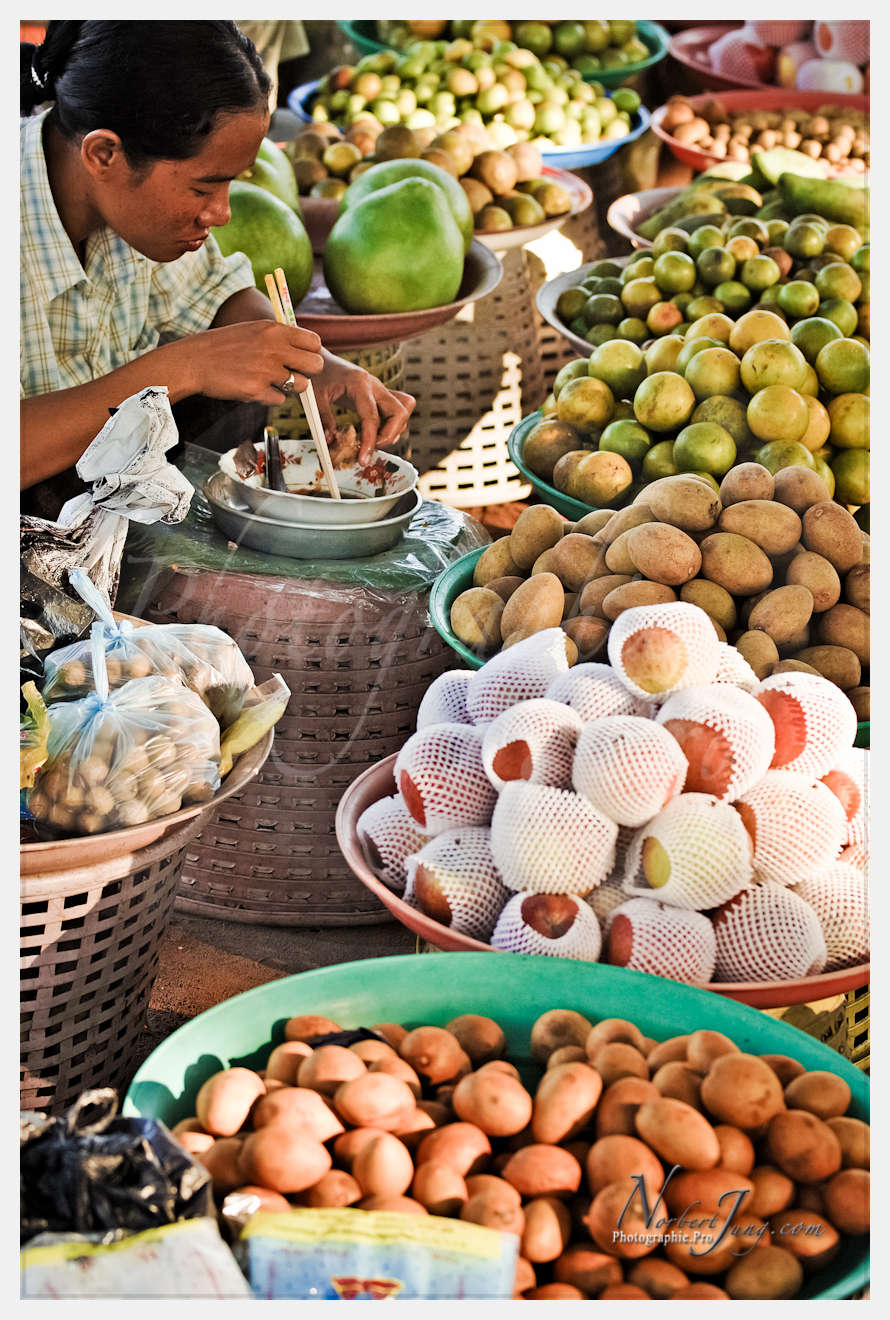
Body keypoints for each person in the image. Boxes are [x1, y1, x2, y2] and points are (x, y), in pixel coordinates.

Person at [20, 20, 414, 499]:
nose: (222, 213)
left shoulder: (140, 209)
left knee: (241, 382)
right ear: (104, 154)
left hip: (104, 500)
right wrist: (185, 368)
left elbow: (216, 294)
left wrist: (315, 362)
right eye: (203, 187)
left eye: (232, 182)